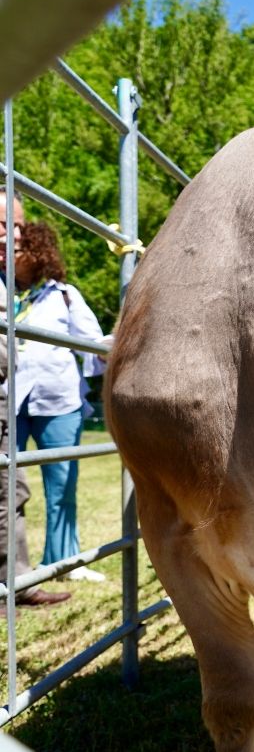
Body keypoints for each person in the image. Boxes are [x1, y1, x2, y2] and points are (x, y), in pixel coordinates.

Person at [9, 221, 109, 577]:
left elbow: (93, 344)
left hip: (59, 402)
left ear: (39, 252)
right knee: (6, 485)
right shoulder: (3, 290)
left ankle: (64, 561)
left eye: (20, 248)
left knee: (62, 484)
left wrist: (114, 350)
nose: (12, 252)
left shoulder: (64, 295)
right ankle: (12, 566)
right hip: (11, 402)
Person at [0, 195, 69, 605]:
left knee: (13, 487)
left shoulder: (16, 284)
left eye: (18, 226)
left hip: (10, 401)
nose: (13, 234)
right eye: (4, 223)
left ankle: (18, 582)